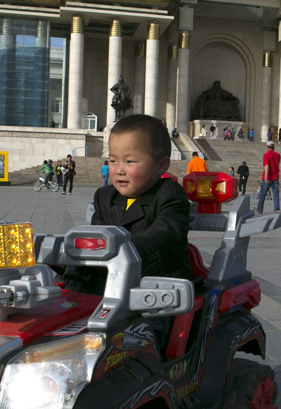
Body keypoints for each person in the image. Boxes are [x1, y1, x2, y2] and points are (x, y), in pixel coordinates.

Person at [64, 114, 192, 294]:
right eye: (113, 160)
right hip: (109, 281)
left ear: (161, 166)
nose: (119, 170)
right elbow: (96, 235)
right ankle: (72, 299)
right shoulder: (104, 196)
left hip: (157, 286)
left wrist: (117, 249)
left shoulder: (169, 193)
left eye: (129, 161)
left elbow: (164, 234)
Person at [256, 142, 281, 213]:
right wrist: (263, 175)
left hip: (268, 178)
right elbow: (275, 166)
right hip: (275, 177)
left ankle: (259, 210)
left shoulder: (266, 155)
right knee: (276, 195)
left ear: (267, 147)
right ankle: (277, 209)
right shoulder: (278, 155)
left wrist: (265, 177)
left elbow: (267, 166)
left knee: (262, 194)